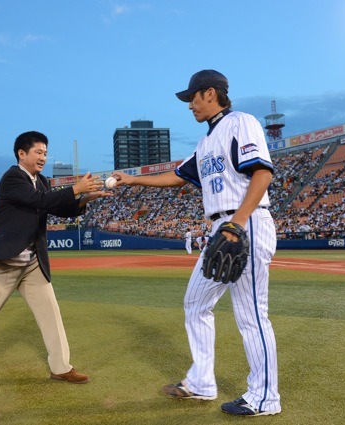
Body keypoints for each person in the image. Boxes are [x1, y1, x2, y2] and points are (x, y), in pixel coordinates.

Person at [111, 69, 281, 416]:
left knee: (251, 315)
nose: (189, 105)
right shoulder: (205, 143)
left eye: (192, 98)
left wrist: (238, 223)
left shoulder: (241, 122)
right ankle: (202, 381)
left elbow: (262, 172)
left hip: (245, 222)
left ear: (209, 93)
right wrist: (132, 180)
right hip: (224, 227)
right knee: (195, 302)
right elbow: (177, 176)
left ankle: (265, 397)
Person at [0, 131, 110, 386]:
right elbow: (38, 201)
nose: (43, 157)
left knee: (51, 314)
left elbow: (55, 206)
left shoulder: (43, 181)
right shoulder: (12, 178)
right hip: (4, 262)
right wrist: (74, 189)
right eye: (38, 152)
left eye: (46, 153)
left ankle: (60, 367)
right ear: (22, 154)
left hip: (32, 262)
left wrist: (83, 200)